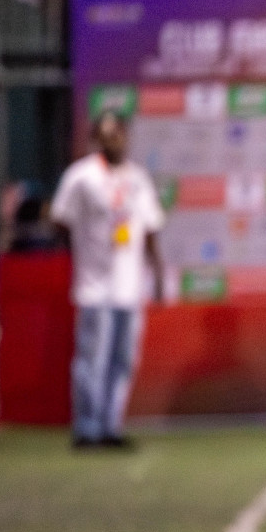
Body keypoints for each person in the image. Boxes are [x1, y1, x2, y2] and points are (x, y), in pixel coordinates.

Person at [49, 111, 164, 450]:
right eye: (106, 134)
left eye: (119, 134)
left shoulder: (138, 179)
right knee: (92, 359)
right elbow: (60, 220)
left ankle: (111, 425)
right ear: (96, 139)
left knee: (123, 359)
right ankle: (87, 428)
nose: (114, 140)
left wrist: (156, 273)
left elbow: (151, 228)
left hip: (129, 284)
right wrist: (83, 251)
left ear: (127, 137)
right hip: (94, 285)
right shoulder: (81, 177)